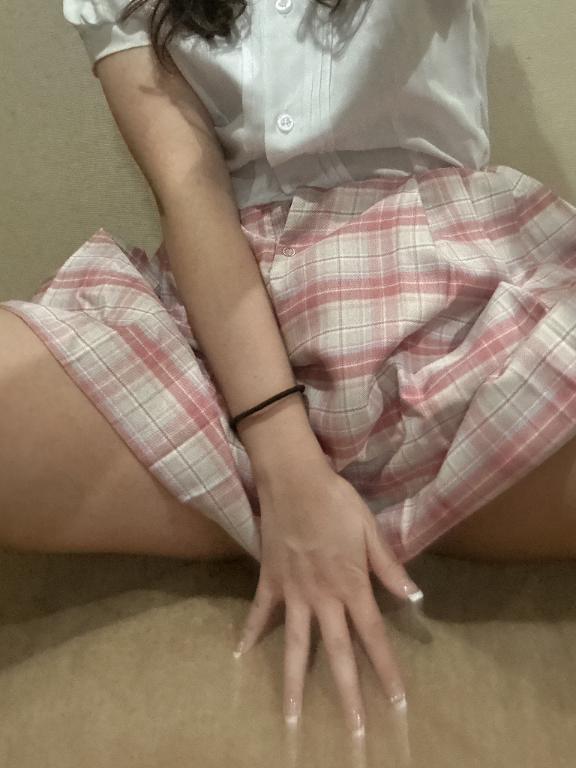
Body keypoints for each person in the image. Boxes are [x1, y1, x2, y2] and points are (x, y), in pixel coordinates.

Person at [2, 0, 576, 738]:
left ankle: (325, 499)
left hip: (453, 288)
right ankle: (352, 495)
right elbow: (189, 190)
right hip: (228, 327)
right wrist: (285, 463)